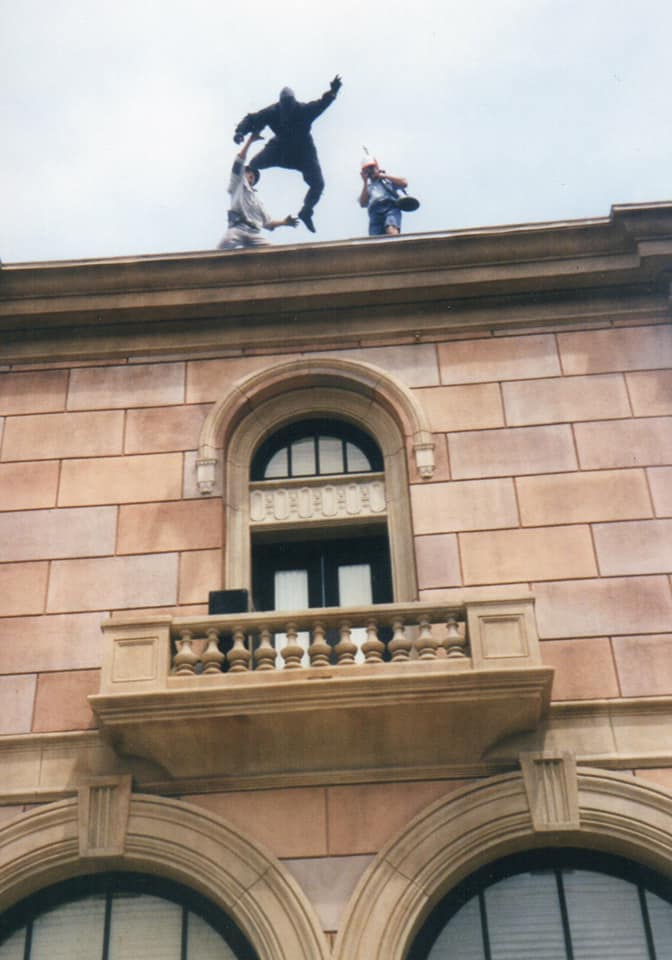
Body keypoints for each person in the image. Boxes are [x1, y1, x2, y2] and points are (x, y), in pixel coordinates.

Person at [233, 76, 343, 234]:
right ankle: (244, 193)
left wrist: (333, 91)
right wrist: (240, 131)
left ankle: (306, 211)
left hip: (304, 153)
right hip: (280, 149)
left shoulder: (304, 110)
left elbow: (322, 104)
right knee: (254, 164)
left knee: (318, 184)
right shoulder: (272, 112)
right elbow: (252, 119)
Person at [217, 133, 297, 251]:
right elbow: (239, 161)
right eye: (249, 173)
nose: (252, 176)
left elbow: (268, 223)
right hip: (237, 229)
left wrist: (285, 222)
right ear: (244, 173)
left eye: (254, 176)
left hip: (253, 233)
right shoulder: (237, 183)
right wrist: (250, 141)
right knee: (220, 251)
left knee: (275, 252)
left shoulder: (257, 202)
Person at [359, 156, 409, 236]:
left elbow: (404, 182)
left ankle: (396, 246)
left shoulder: (386, 180)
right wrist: (365, 182)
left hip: (390, 206)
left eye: (371, 168)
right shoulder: (368, 187)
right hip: (374, 211)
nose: (370, 171)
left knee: (391, 229)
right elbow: (363, 203)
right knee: (375, 237)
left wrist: (383, 176)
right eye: (367, 170)